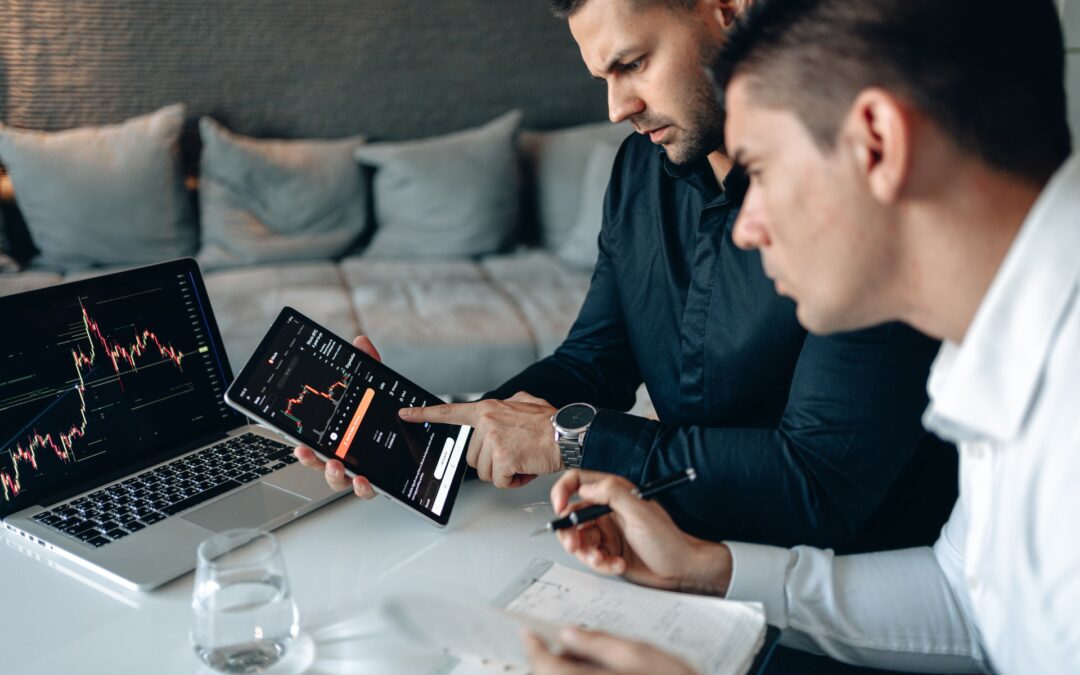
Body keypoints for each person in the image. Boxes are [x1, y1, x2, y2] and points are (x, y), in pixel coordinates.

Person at [525, 0, 1078, 672]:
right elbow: (968, 597)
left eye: (760, 167)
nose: (746, 226)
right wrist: (707, 569)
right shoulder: (997, 338)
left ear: (877, 141)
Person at [297, 0, 956, 553]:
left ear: (729, 10)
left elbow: (819, 486)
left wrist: (570, 440)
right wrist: (419, 435)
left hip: (842, 602)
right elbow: (593, 363)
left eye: (633, 63)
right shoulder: (641, 173)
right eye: (602, 77)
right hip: (670, 554)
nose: (616, 107)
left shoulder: (859, 191)